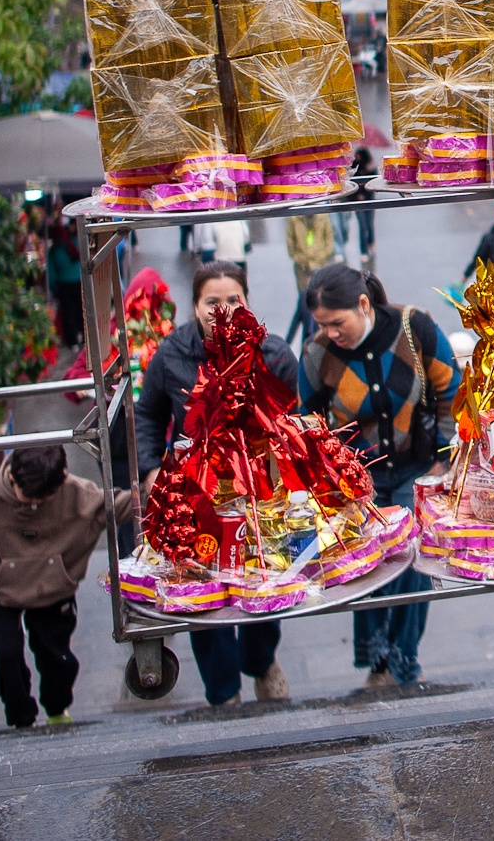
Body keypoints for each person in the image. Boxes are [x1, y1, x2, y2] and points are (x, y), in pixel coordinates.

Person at [135, 262, 300, 705]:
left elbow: (293, 422)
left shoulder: (275, 354)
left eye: (234, 300)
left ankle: (261, 661)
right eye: (213, 301)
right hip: (195, 495)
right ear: (194, 306)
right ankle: (222, 691)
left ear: (247, 302)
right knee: (201, 592)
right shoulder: (172, 354)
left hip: (257, 495)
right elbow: (148, 414)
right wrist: (151, 467)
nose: (223, 309)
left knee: (264, 586)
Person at [298, 263, 461, 687]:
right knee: (368, 567)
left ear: (363, 304)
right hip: (358, 482)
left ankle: (403, 657)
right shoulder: (317, 353)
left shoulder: (414, 327)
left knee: (412, 563)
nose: (332, 333)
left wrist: (444, 455)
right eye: (322, 324)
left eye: (338, 322)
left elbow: (452, 390)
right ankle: (376, 657)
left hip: (417, 467)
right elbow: (309, 422)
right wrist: (332, 479)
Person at [0, 444, 131, 729]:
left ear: (61, 479)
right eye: (27, 496)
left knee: (56, 657)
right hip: (3, 593)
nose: (32, 503)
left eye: (43, 497)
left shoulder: (78, 494)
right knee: (6, 655)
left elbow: (121, 505)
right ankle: (20, 718)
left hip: (54, 590)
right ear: (12, 476)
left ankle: (56, 709)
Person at [284, 211, 342, 346]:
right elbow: (290, 243)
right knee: (305, 302)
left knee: (321, 300)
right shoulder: (295, 218)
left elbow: (329, 239)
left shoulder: (323, 216)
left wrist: (320, 259)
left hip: (320, 264)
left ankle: (319, 336)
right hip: (302, 266)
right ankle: (309, 338)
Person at [46, 215, 84, 347]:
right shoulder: (75, 243)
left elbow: (50, 274)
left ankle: (73, 341)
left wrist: (52, 288)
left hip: (64, 285)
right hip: (80, 282)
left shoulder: (54, 251)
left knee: (68, 313)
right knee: (83, 310)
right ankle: (86, 339)